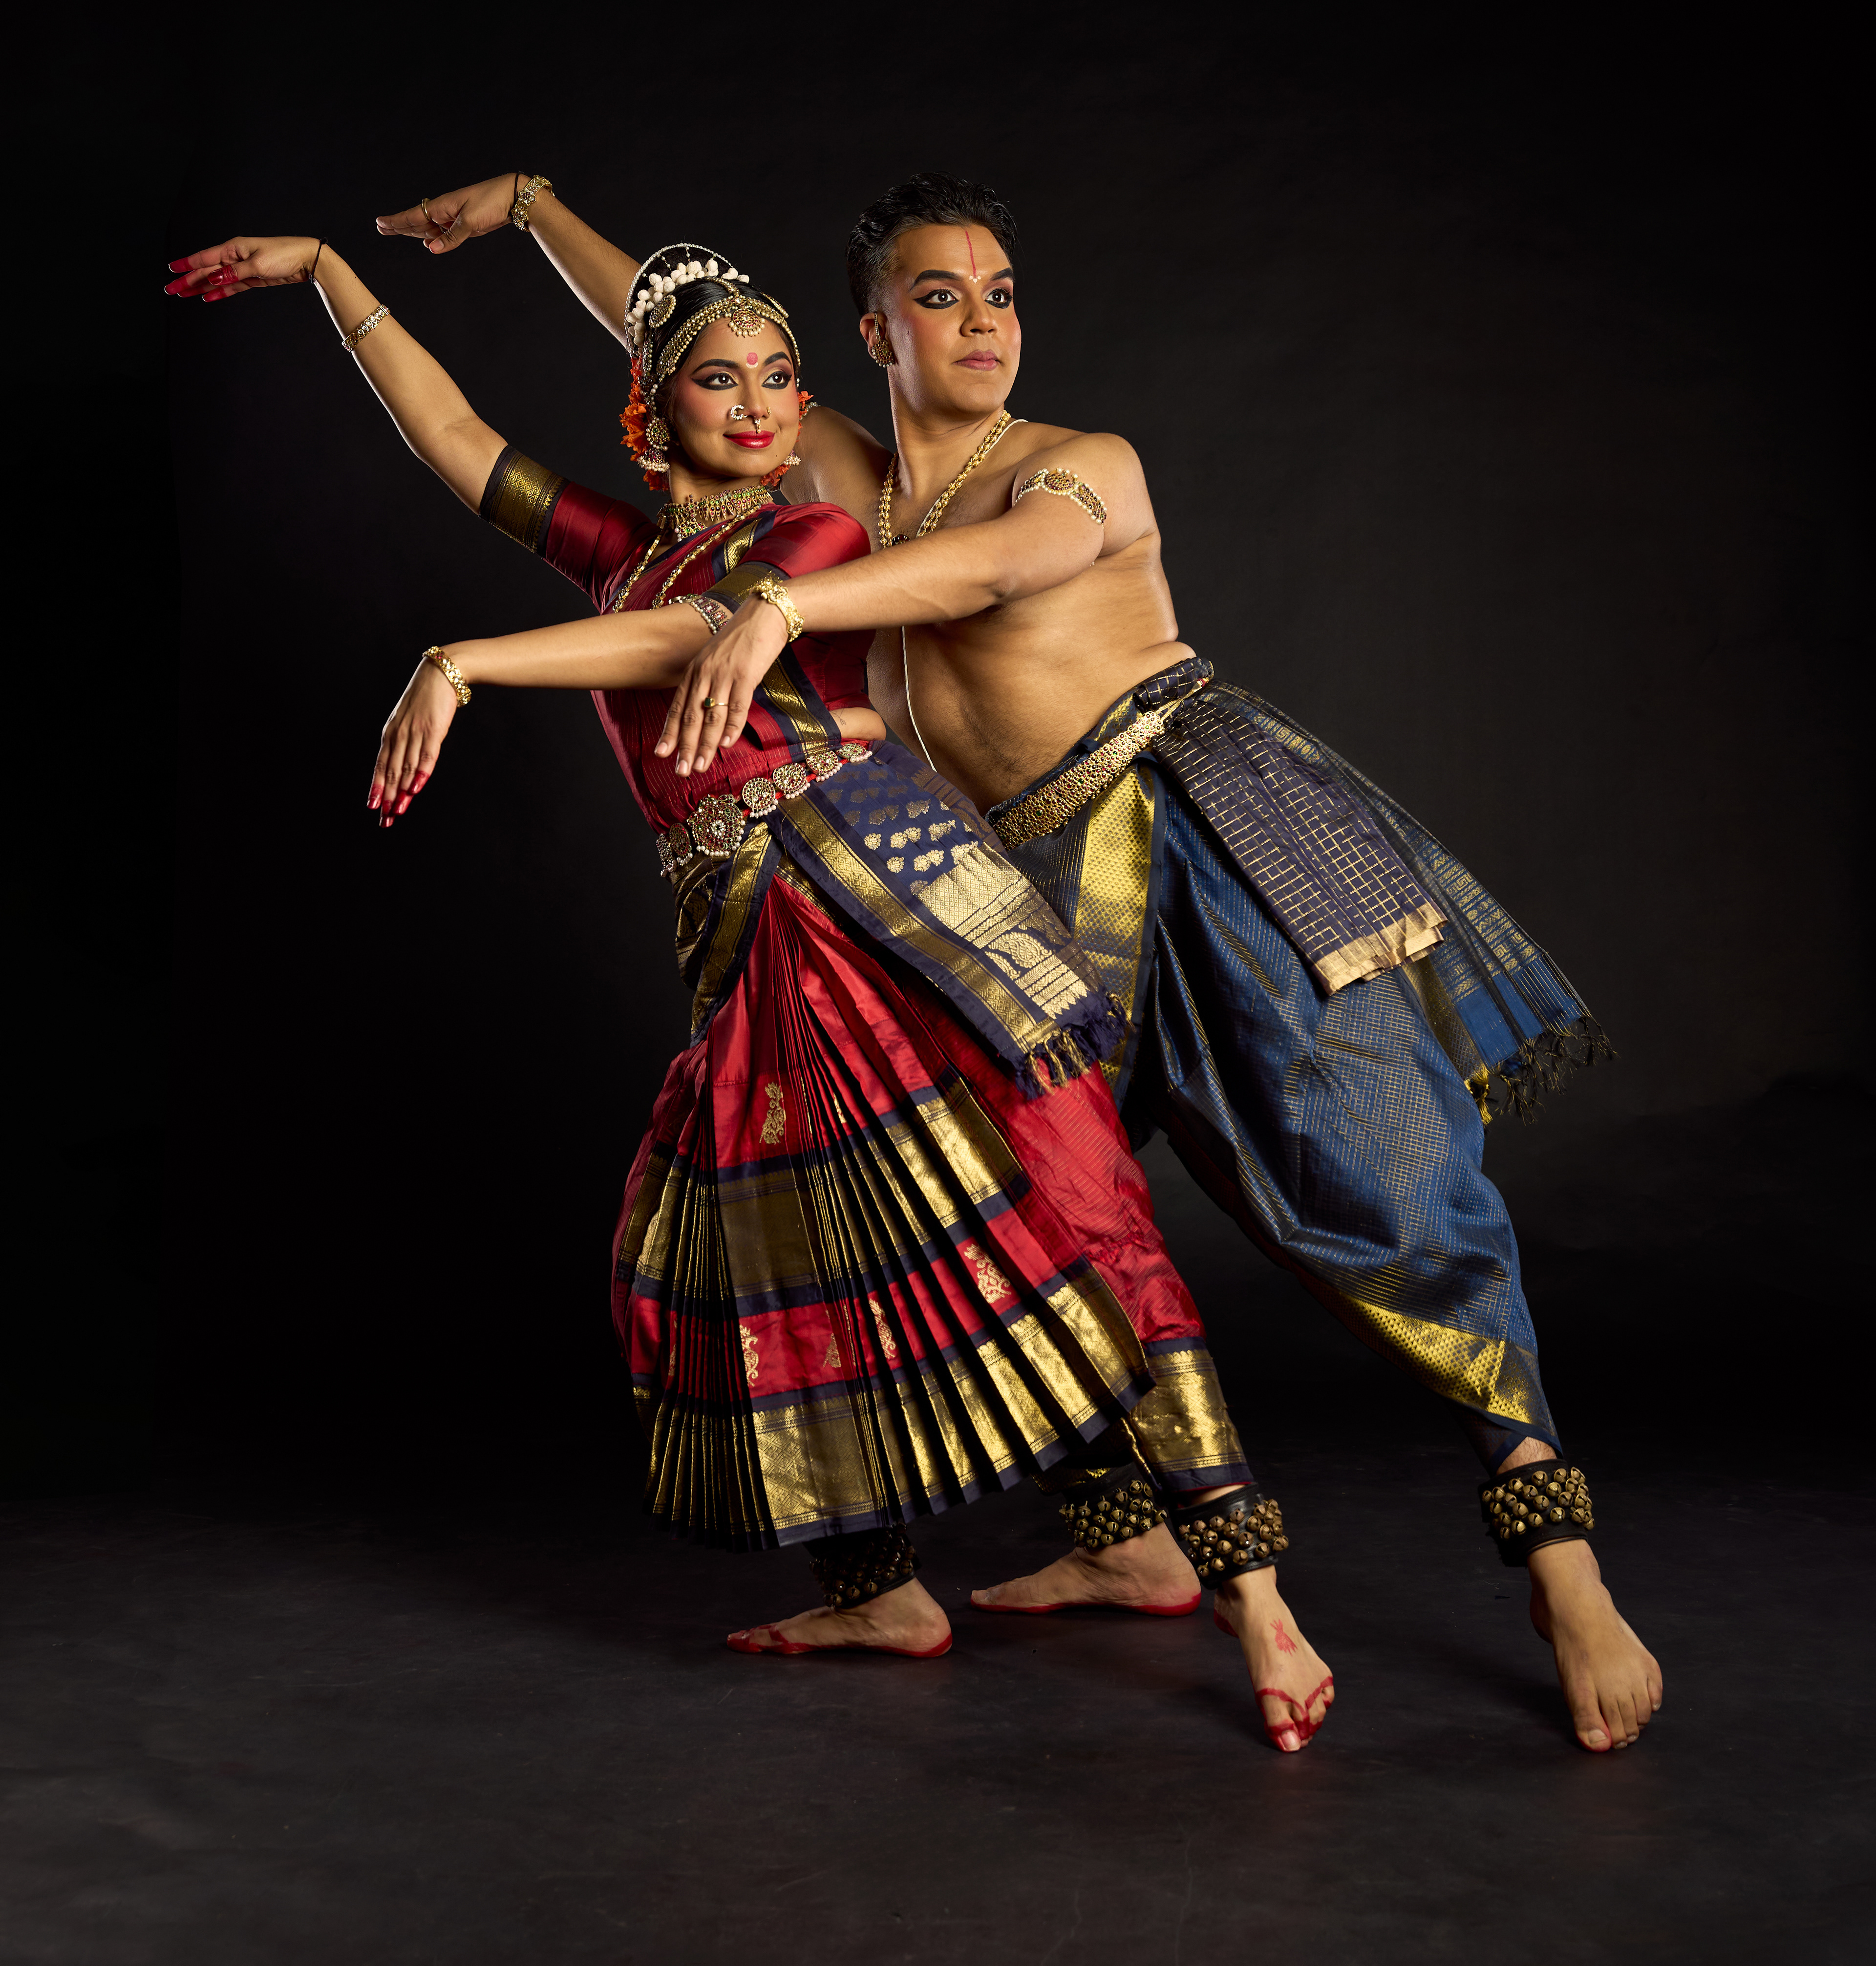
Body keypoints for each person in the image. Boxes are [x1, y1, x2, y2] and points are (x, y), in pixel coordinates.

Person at [370, 168, 1660, 1757]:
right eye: (939, 295)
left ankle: (1564, 1568)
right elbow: (688, 334)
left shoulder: (1076, 465)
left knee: (1379, 1181)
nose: (983, 321)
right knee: (1018, 1206)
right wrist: (532, 209)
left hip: (1183, 822)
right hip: (1006, 884)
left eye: (1000, 292)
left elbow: (988, 572)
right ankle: (1127, 1537)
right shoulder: (843, 467)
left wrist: (776, 612)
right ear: (871, 334)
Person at [163, 218, 1335, 1752]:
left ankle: (1253, 1593)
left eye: (783, 377)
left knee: (1064, 1200)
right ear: (652, 410)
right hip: (745, 932)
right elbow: (457, 444)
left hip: (878, 896)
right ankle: (891, 1586)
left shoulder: (813, 543)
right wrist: (334, 274)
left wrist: (464, 659)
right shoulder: (619, 552)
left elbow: (693, 639)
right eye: (724, 380)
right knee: (780, 1248)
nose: (767, 406)